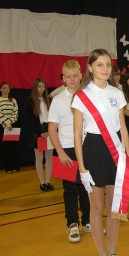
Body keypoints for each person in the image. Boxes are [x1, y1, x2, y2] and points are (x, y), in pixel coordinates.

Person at [72, 49, 129, 256]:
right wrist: (82, 167)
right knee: (96, 207)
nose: (105, 68)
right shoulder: (81, 96)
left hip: (115, 149)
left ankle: (114, 253)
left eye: (108, 64)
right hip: (94, 150)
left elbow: (123, 127)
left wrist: (126, 156)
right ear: (90, 68)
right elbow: (77, 135)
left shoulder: (118, 93)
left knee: (114, 206)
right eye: (99, 65)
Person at [48, 60, 91, 243]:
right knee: (70, 189)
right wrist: (61, 153)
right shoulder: (57, 100)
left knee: (87, 186)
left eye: (75, 75)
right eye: (68, 76)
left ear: (81, 75)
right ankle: (72, 224)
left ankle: (88, 221)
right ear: (63, 78)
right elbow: (52, 130)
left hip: (87, 147)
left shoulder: (89, 96)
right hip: (66, 149)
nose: (72, 79)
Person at [26, 78, 54, 191]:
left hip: (49, 130)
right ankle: (42, 182)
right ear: (35, 87)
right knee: (39, 158)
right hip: (38, 132)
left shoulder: (49, 100)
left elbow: (53, 116)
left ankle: (48, 181)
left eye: (43, 86)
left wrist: (50, 131)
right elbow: (30, 120)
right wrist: (40, 132)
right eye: (39, 86)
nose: (41, 89)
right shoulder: (30, 101)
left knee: (49, 157)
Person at [0, 82, 20, 173]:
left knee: (14, 147)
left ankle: (15, 166)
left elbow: (15, 113)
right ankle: (8, 167)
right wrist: (6, 124)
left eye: (7, 88)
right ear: (0, 89)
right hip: (3, 126)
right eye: (4, 88)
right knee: (5, 148)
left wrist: (10, 123)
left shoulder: (13, 100)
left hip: (12, 126)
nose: (6, 90)